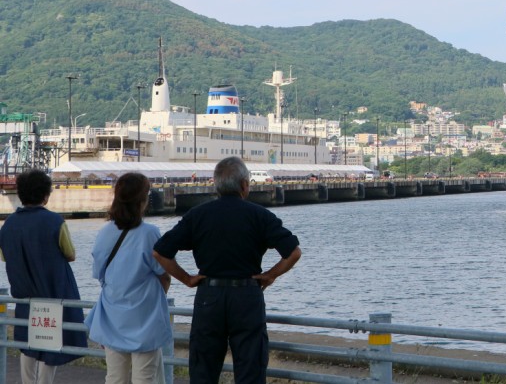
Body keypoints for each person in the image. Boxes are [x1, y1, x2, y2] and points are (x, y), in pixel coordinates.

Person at [153, 156, 301, 384]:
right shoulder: (259, 215)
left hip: (209, 295)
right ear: (244, 185)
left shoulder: (198, 215)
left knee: (203, 369)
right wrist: (270, 275)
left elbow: (160, 252)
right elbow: (293, 253)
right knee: (250, 368)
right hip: (246, 294)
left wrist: (187, 279)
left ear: (216, 185)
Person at [0, 170, 87, 384]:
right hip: (51, 296)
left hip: (24, 298)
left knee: (26, 344)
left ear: (21, 194)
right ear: (46, 195)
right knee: (50, 345)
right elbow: (70, 254)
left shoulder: (8, 226)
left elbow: (5, 257)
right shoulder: (54, 222)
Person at [85, 173, 172, 384]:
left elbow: (100, 275)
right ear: (143, 201)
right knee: (145, 377)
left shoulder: (104, 233)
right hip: (145, 318)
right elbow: (164, 275)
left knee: (115, 378)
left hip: (113, 315)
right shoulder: (149, 233)